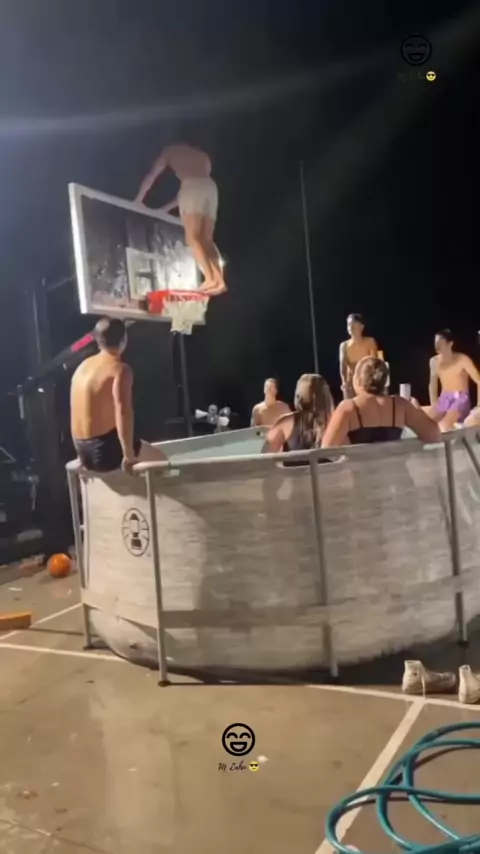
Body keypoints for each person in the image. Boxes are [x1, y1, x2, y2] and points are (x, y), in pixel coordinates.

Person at [70, 317, 166, 473]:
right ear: (124, 340)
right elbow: (123, 412)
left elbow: (75, 409)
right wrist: (128, 456)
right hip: (103, 451)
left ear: (98, 341)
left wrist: (81, 453)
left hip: (82, 451)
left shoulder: (83, 366)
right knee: (162, 462)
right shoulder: (120, 370)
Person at [135, 142, 225, 296]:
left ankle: (210, 279)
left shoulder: (169, 151)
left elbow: (152, 176)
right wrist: (165, 209)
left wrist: (138, 199)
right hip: (211, 188)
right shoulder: (202, 155)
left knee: (192, 237)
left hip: (191, 187)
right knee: (207, 239)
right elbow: (189, 193)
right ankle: (219, 280)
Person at [322, 356, 441, 448]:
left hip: (362, 473)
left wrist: (349, 447)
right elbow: (433, 435)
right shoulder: (400, 405)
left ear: (358, 379)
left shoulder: (349, 408)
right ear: (384, 381)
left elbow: (327, 449)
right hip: (397, 471)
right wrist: (417, 408)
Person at [266, 374, 334, 452]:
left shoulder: (286, 422)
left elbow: (266, 454)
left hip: (294, 460)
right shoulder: (334, 421)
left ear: (298, 396)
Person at [427, 329, 480, 429]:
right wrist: (434, 404)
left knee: (446, 422)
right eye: (436, 343)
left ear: (450, 344)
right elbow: (432, 385)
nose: (437, 346)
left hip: (460, 398)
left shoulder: (463, 360)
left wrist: (479, 405)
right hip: (444, 398)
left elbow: (479, 381)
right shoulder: (434, 361)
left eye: (440, 343)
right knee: (428, 420)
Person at [339, 314, 378, 399]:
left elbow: (374, 363)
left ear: (361, 326)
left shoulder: (370, 342)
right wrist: (344, 382)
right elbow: (343, 366)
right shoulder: (344, 346)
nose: (350, 327)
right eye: (348, 325)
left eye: (353, 324)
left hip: (366, 382)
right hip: (351, 383)